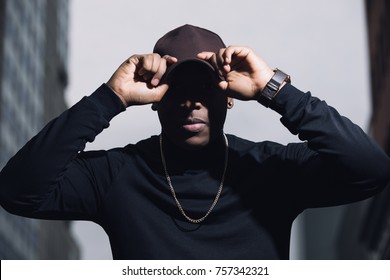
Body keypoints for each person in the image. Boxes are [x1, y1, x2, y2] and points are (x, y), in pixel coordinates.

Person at [0, 24, 389, 260]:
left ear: (230, 96)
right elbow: (18, 191)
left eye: (205, 87)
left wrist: (274, 89)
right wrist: (110, 97)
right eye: (176, 89)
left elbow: (370, 170)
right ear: (153, 100)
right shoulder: (118, 174)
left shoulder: (270, 169)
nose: (191, 102)